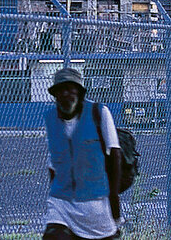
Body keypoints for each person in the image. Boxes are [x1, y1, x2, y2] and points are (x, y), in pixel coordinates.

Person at [42, 66, 122, 240]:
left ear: (79, 93)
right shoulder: (52, 120)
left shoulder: (99, 113)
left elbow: (115, 155)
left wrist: (114, 198)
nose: (65, 95)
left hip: (96, 207)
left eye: (70, 89)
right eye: (60, 91)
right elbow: (53, 165)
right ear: (55, 96)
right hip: (62, 205)